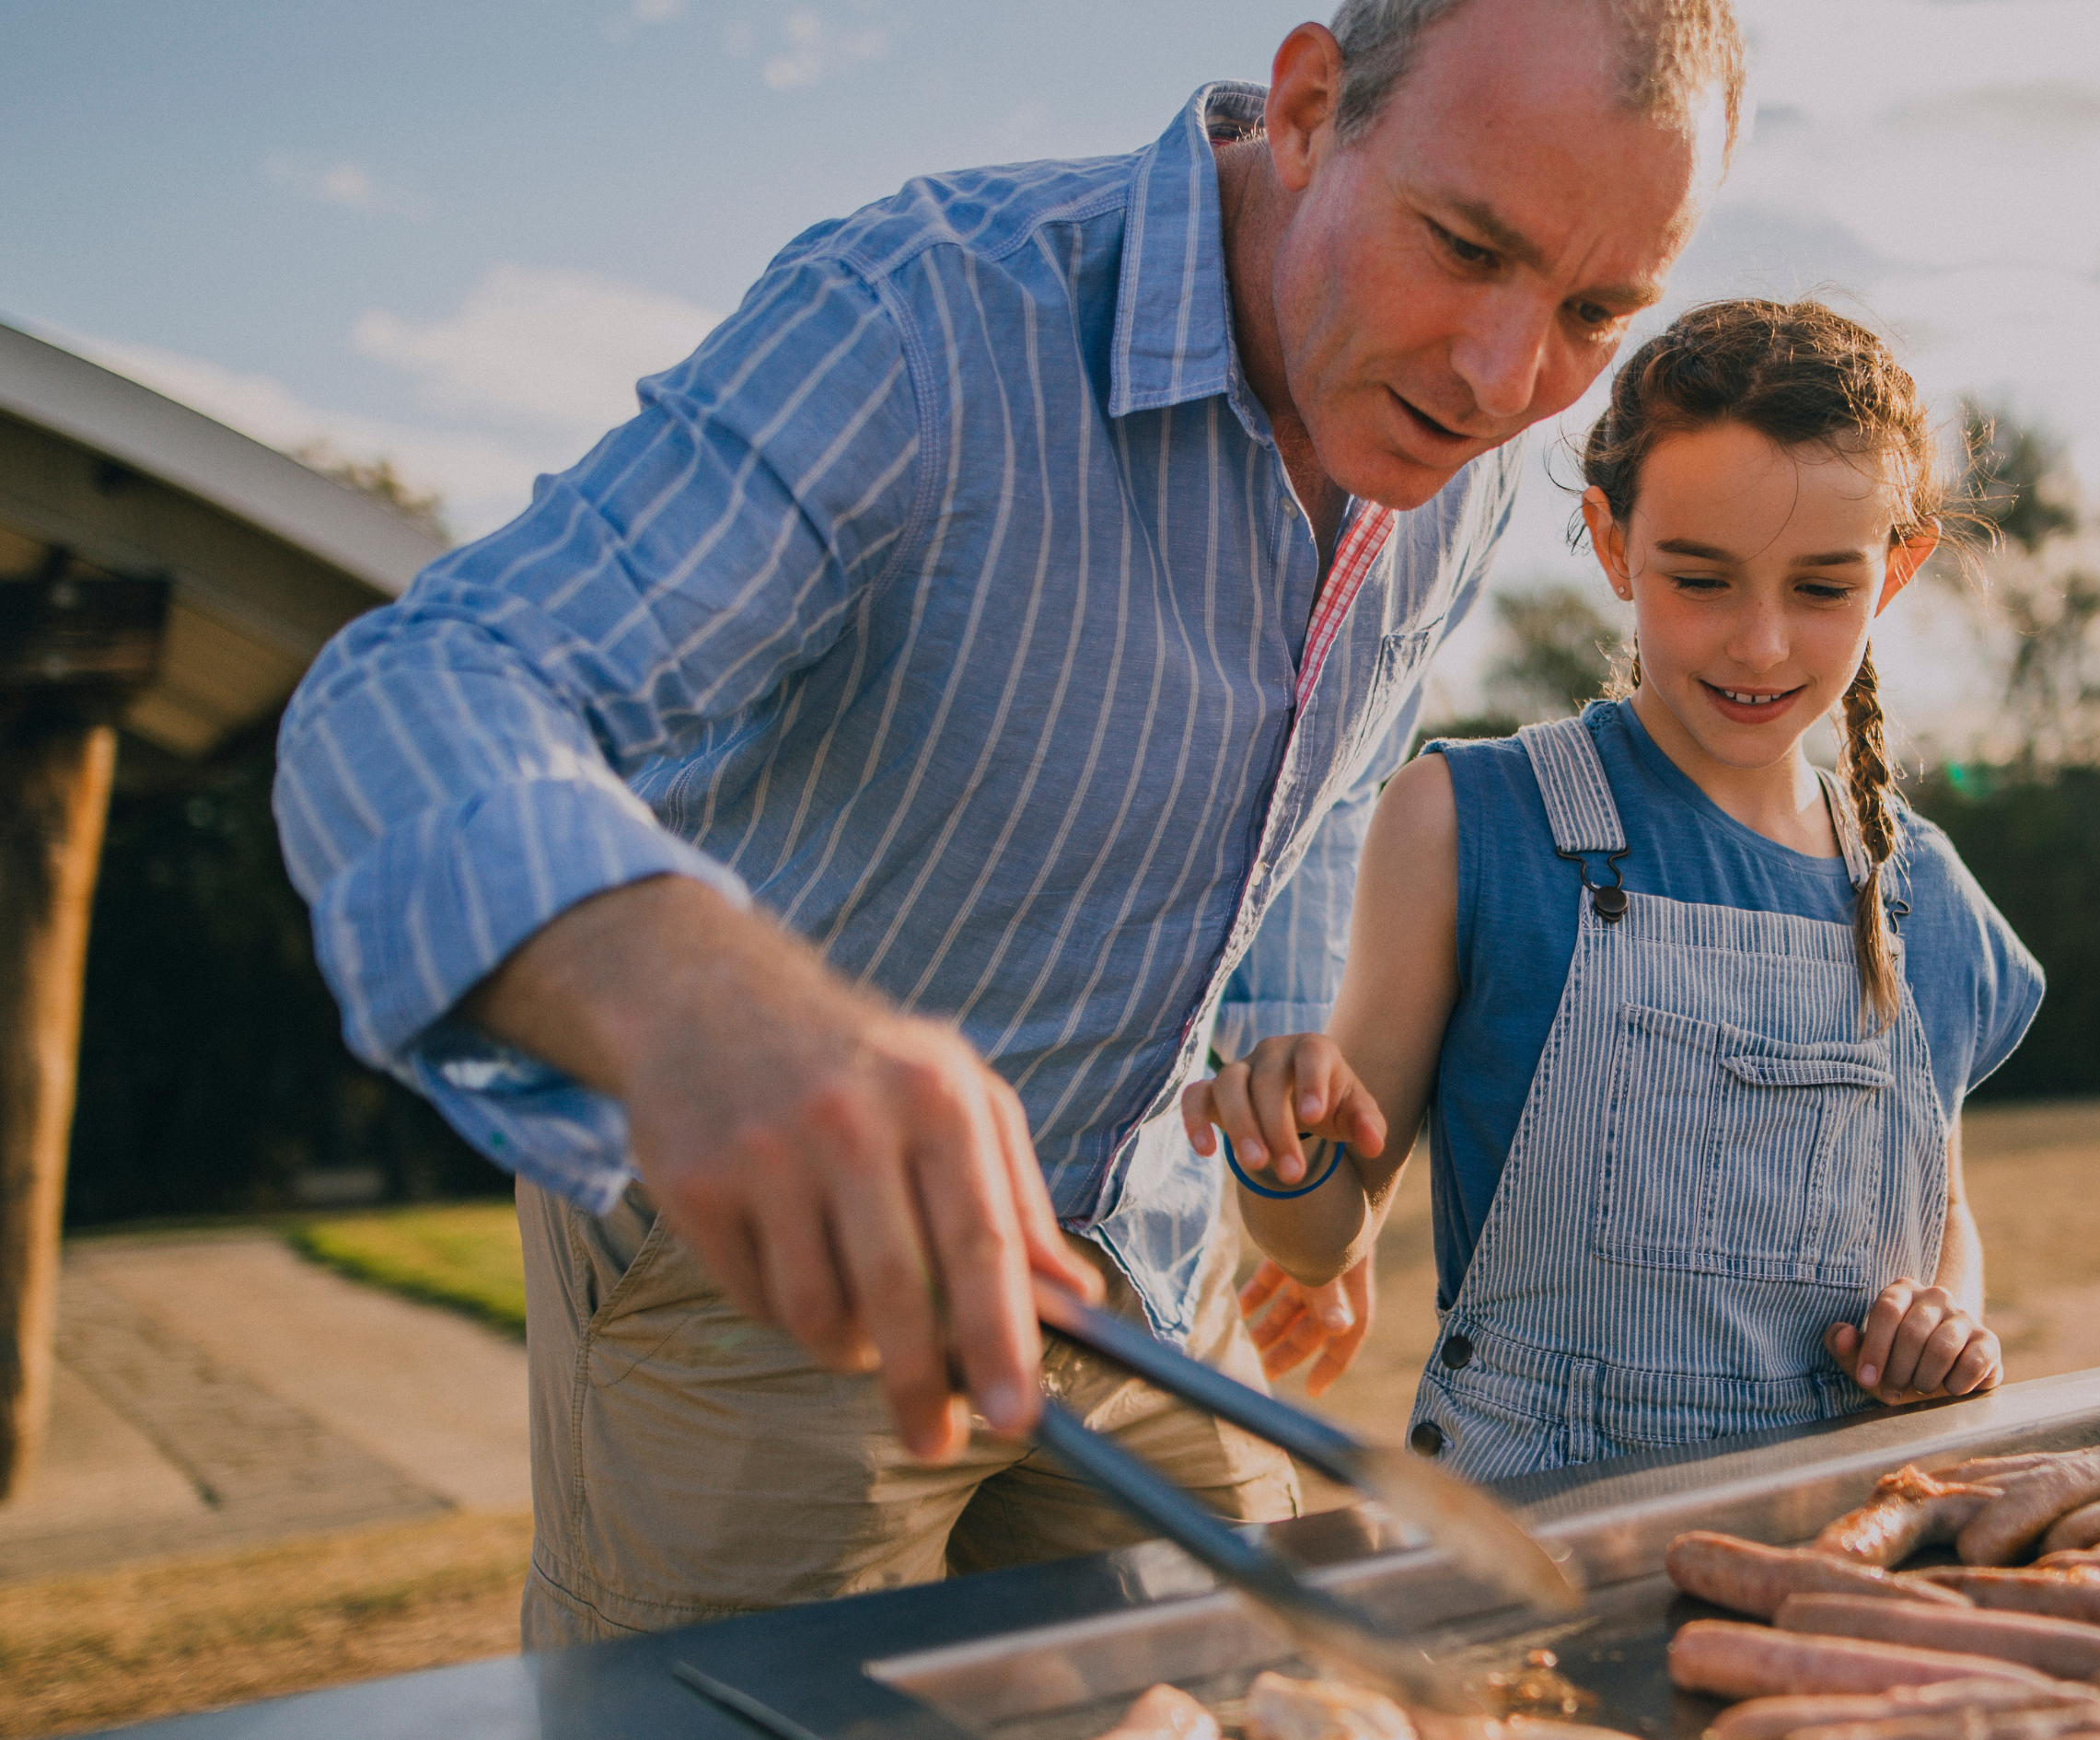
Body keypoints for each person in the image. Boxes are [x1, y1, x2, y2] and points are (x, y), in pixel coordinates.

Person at [271, 0, 1742, 1643]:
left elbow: (1318, 772)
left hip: (1157, 1270)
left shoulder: (1442, 434)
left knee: (1278, 1687)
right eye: (1467, 246)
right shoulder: (920, 317)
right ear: (1313, 106)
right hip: (774, 1292)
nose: (1501, 378)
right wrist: (697, 1004)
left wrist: (1273, 1112)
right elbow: (414, 691)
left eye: (1595, 310)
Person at [1182, 299, 2047, 1479]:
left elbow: (1940, 1213)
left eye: (1821, 590)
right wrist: (1285, 1154)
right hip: (1542, 1539)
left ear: (1898, 569)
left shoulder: (1922, 895)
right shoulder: (1463, 823)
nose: (1759, 645)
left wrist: (1948, 1317)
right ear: (1609, 540)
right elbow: (1329, 1236)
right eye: (1702, 580)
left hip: (1848, 1534)